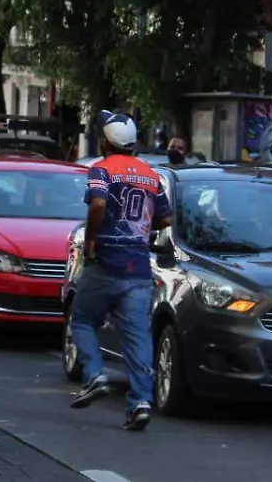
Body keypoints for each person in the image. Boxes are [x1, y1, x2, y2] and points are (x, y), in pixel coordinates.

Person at [69, 110, 173, 431]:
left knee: (83, 319)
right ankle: (140, 402)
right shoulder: (150, 175)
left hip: (105, 262)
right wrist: (143, 225)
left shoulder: (101, 170)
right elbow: (166, 218)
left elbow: (98, 205)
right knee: (137, 337)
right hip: (138, 267)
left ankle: (95, 375)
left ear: (104, 140)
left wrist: (90, 242)